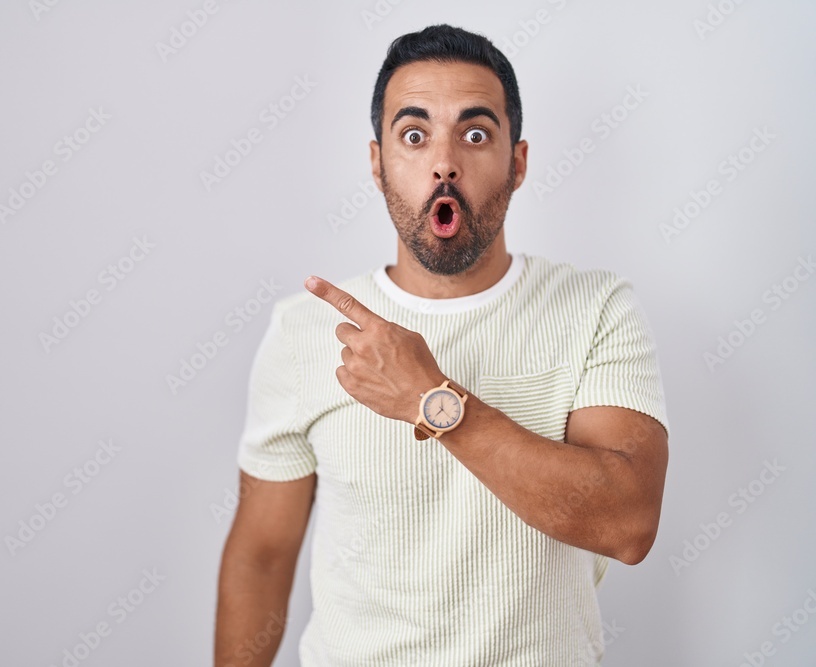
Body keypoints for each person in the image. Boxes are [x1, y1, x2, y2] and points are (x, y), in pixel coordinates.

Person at [215, 23, 669, 667]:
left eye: (476, 133)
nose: (444, 161)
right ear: (377, 163)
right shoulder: (303, 330)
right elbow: (262, 554)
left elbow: (627, 524)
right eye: (414, 134)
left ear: (518, 162)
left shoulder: (596, 308)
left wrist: (432, 399)